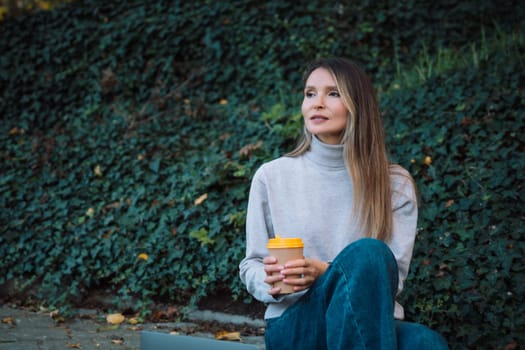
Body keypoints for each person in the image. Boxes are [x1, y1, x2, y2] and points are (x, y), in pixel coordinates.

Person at [239, 57, 449, 349]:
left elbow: (392, 281)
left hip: (368, 321)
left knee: (426, 343)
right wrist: (271, 282)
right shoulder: (272, 176)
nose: (317, 102)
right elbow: (252, 264)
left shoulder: (395, 184)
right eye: (310, 93)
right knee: (368, 252)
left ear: (357, 105)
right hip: (298, 324)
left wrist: (328, 272)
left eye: (333, 93)